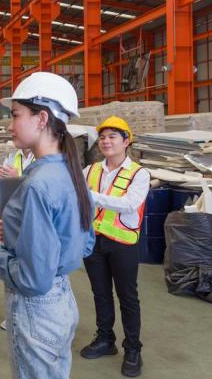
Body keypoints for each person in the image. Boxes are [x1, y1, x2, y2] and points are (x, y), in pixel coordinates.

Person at [0, 71, 95, 379]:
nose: (10, 125)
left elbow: (33, 278)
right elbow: (85, 243)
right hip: (62, 300)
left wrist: (0, 254)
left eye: (15, 115)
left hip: (36, 309)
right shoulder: (71, 173)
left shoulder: (37, 184)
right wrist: (19, 233)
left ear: (42, 119)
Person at [80, 116, 149, 378]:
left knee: (128, 297)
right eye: (102, 137)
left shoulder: (139, 174)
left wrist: (91, 196)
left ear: (126, 141)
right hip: (93, 241)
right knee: (100, 293)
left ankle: (132, 349)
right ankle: (105, 339)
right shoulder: (90, 170)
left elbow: (129, 204)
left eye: (112, 137)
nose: (106, 141)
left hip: (122, 244)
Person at [0, 146, 34, 331]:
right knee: (13, 267)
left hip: (33, 217)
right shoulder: (12, 157)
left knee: (32, 268)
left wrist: (18, 177)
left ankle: (31, 316)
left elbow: (41, 188)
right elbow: (3, 187)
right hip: (13, 217)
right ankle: (13, 314)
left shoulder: (42, 159)